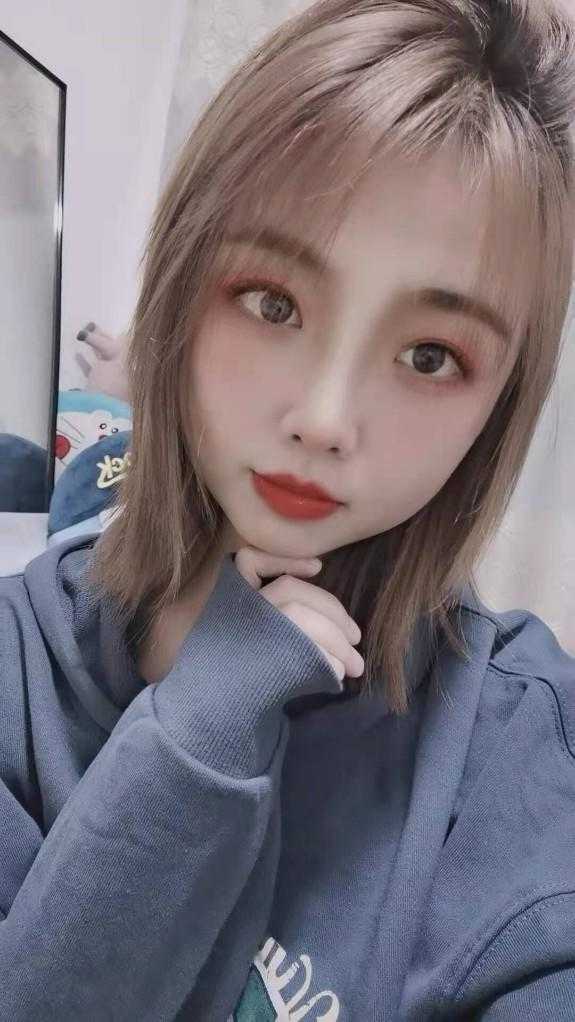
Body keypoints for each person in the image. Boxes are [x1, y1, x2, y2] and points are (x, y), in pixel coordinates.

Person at [1, 0, 575, 1017]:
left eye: (429, 355)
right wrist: (202, 727)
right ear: (182, 280)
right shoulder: (18, 661)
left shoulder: (516, 739)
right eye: (273, 302)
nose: (323, 419)